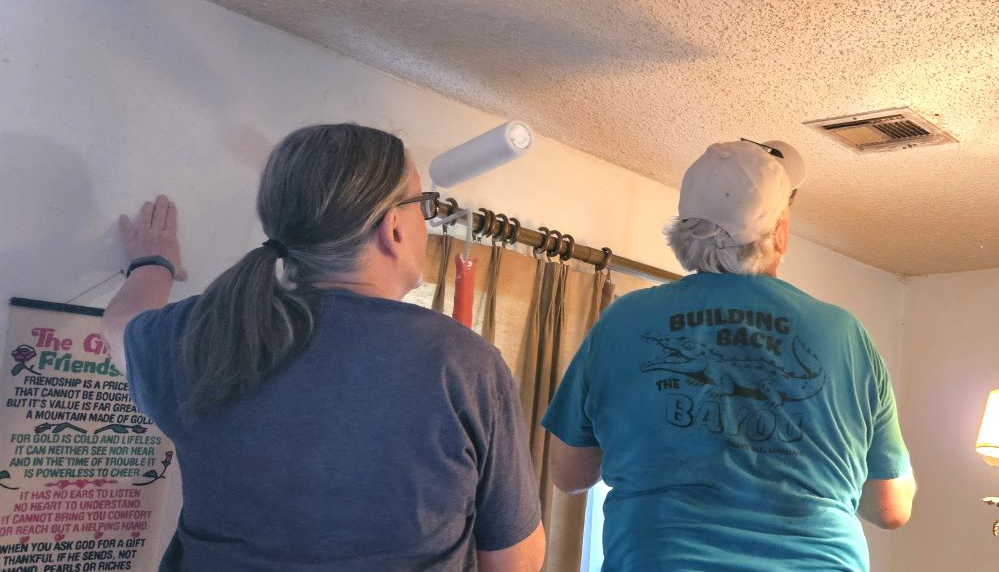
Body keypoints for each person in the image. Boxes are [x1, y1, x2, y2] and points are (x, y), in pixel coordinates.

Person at [102, 123, 545, 571]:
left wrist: (153, 262)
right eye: (423, 204)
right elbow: (516, 562)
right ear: (393, 227)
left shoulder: (199, 333)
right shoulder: (464, 364)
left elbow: (119, 325)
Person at [541, 139, 914, 571]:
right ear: (779, 233)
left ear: (683, 233)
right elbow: (891, 509)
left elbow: (569, 475)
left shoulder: (624, 320)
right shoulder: (844, 334)